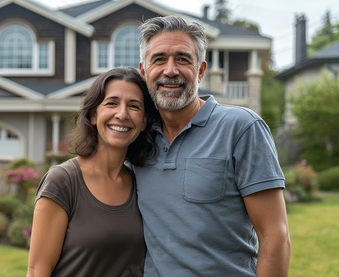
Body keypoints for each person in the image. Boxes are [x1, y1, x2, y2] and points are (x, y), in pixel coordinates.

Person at [133, 15, 291, 276]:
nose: (170, 70)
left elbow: (275, 234)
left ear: (201, 70)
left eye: (183, 59)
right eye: (159, 59)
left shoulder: (241, 128)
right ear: (143, 71)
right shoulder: (138, 138)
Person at [27, 67, 156, 277]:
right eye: (112, 103)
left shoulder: (140, 182)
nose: (122, 114)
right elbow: (37, 270)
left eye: (133, 106)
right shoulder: (63, 181)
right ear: (94, 115)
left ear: (143, 122)